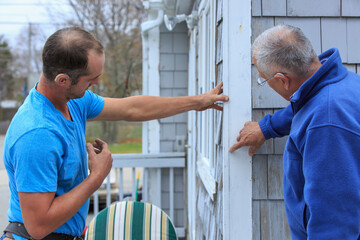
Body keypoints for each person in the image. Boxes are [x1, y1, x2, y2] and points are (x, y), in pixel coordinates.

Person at [1, 27, 229, 240]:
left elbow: (132, 108)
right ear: (63, 80)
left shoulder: (72, 102)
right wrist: (97, 177)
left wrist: (198, 102)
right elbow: (38, 226)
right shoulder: (36, 135)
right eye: (91, 79)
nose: (97, 82)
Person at [230, 25, 360, 239]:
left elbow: (334, 225)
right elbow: (308, 105)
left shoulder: (326, 126)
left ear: (283, 80)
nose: (265, 83)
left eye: (264, 79)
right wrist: (267, 127)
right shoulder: (342, 84)